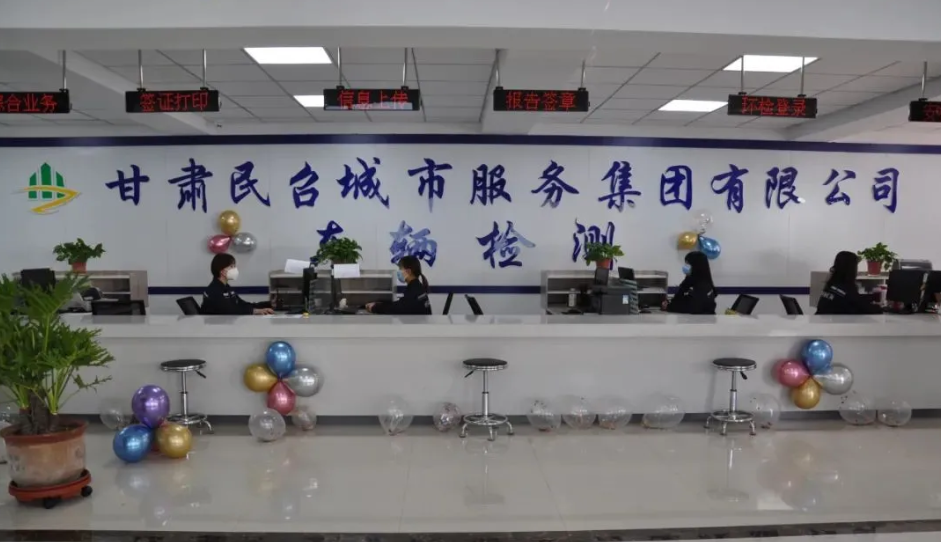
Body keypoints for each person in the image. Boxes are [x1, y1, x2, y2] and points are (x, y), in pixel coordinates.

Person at [200, 253, 274, 315]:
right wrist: (255, 311)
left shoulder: (226, 287)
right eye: (231, 266)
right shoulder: (214, 290)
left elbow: (241, 304)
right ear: (222, 271)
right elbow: (230, 311)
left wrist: (269, 304)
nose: (235, 269)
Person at [816, 251, 882, 315]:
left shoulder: (832, 285)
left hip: (821, 321)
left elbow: (856, 300)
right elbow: (862, 307)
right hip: (835, 321)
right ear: (851, 268)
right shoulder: (845, 289)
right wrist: (880, 308)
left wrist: (871, 300)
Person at [366, 255, 432, 315]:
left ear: (408, 271)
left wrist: (375, 307)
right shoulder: (417, 286)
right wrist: (380, 304)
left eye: (400, 268)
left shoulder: (414, 290)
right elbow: (402, 304)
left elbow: (398, 308)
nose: (398, 271)